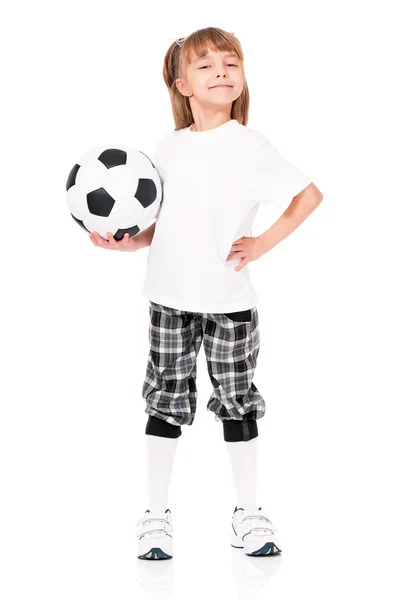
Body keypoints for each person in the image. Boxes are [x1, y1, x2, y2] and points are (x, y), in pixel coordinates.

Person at [89, 27, 323, 560]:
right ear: (181, 84)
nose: (221, 70)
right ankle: (155, 516)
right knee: (166, 402)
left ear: (242, 79)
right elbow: (163, 224)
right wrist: (130, 245)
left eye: (231, 62)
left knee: (237, 402)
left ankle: (248, 513)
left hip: (230, 304)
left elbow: (307, 195)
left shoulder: (250, 144)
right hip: (169, 298)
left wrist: (261, 243)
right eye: (206, 64)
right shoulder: (167, 148)